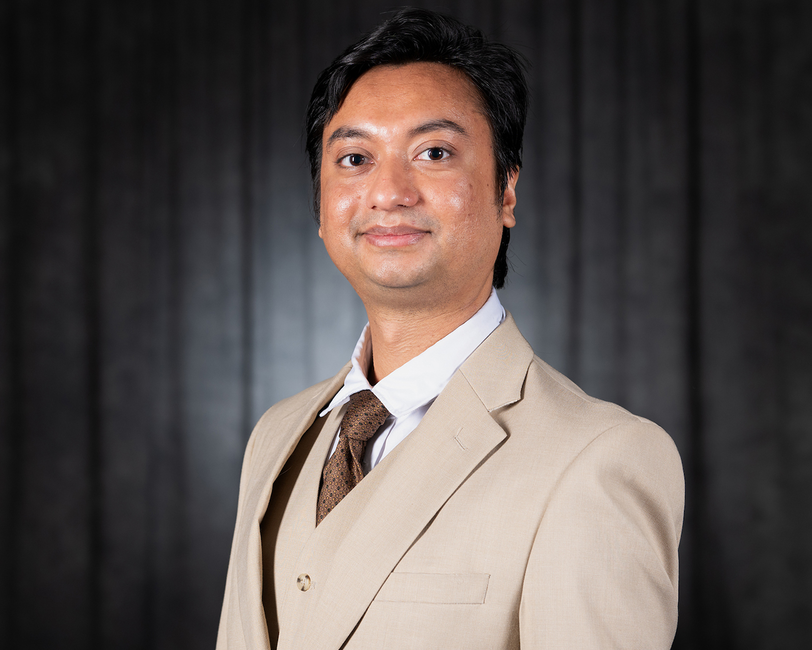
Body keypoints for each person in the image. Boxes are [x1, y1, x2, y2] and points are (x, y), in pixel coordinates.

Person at [216, 8, 683, 649]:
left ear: (506, 191)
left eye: (434, 153)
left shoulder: (599, 459)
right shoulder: (276, 436)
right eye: (355, 157)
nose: (389, 192)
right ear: (321, 208)